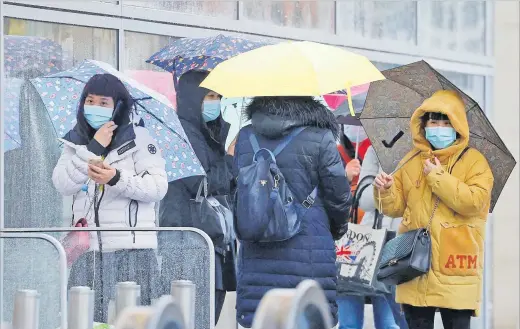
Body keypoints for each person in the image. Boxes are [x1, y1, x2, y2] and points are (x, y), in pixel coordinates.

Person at [52, 73, 168, 322]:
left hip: (132, 252)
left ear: (118, 107)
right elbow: (62, 184)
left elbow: (157, 187)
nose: (94, 108)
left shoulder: (140, 139)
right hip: (88, 252)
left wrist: (116, 178)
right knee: (85, 321)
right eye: (90, 101)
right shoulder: (75, 142)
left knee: (133, 322)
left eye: (103, 103)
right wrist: (92, 148)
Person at [374, 90, 494, 329]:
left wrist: (438, 177)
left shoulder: (475, 162)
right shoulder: (411, 159)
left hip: (456, 265)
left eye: (445, 121)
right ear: (423, 125)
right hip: (414, 265)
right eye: (433, 121)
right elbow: (395, 208)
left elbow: (475, 202)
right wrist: (385, 190)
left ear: (457, 125)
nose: (438, 127)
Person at [233, 96, 353, 328]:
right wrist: (336, 229)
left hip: (257, 246)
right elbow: (339, 196)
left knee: (261, 317)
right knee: (308, 315)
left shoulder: (246, 136)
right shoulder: (321, 137)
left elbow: (238, 190)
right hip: (311, 245)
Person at [159, 71, 235, 324]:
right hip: (188, 240)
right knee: (194, 316)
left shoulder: (206, 133)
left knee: (205, 315)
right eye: (208, 96)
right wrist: (230, 159)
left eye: (217, 97)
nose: (214, 103)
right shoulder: (181, 134)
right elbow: (200, 184)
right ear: (193, 98)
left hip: (207, 238)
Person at [336, 145, 408, 329]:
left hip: (404, 246)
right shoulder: (377, 150)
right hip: (370, 242)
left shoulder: (427, 155)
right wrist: (381, 189)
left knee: (390, 323)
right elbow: (363, 200)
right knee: (349, 323)